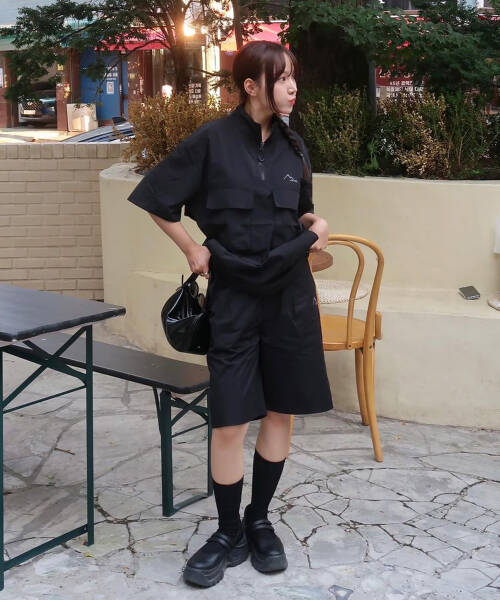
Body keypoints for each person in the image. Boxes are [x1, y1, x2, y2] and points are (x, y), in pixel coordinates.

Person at [127, 40, 333, 588]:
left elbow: (301, 210)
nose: (292, 87)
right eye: (282, 78)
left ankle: (259, 520)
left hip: (290, 296)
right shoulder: (212, 141)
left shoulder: (295, 145)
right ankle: (227, 532)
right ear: (250, 85)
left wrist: (316, 224)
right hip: (235, 297)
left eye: (293, 77)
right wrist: (192, 249)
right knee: (230, 418)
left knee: (281, 411)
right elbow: (156, 198)